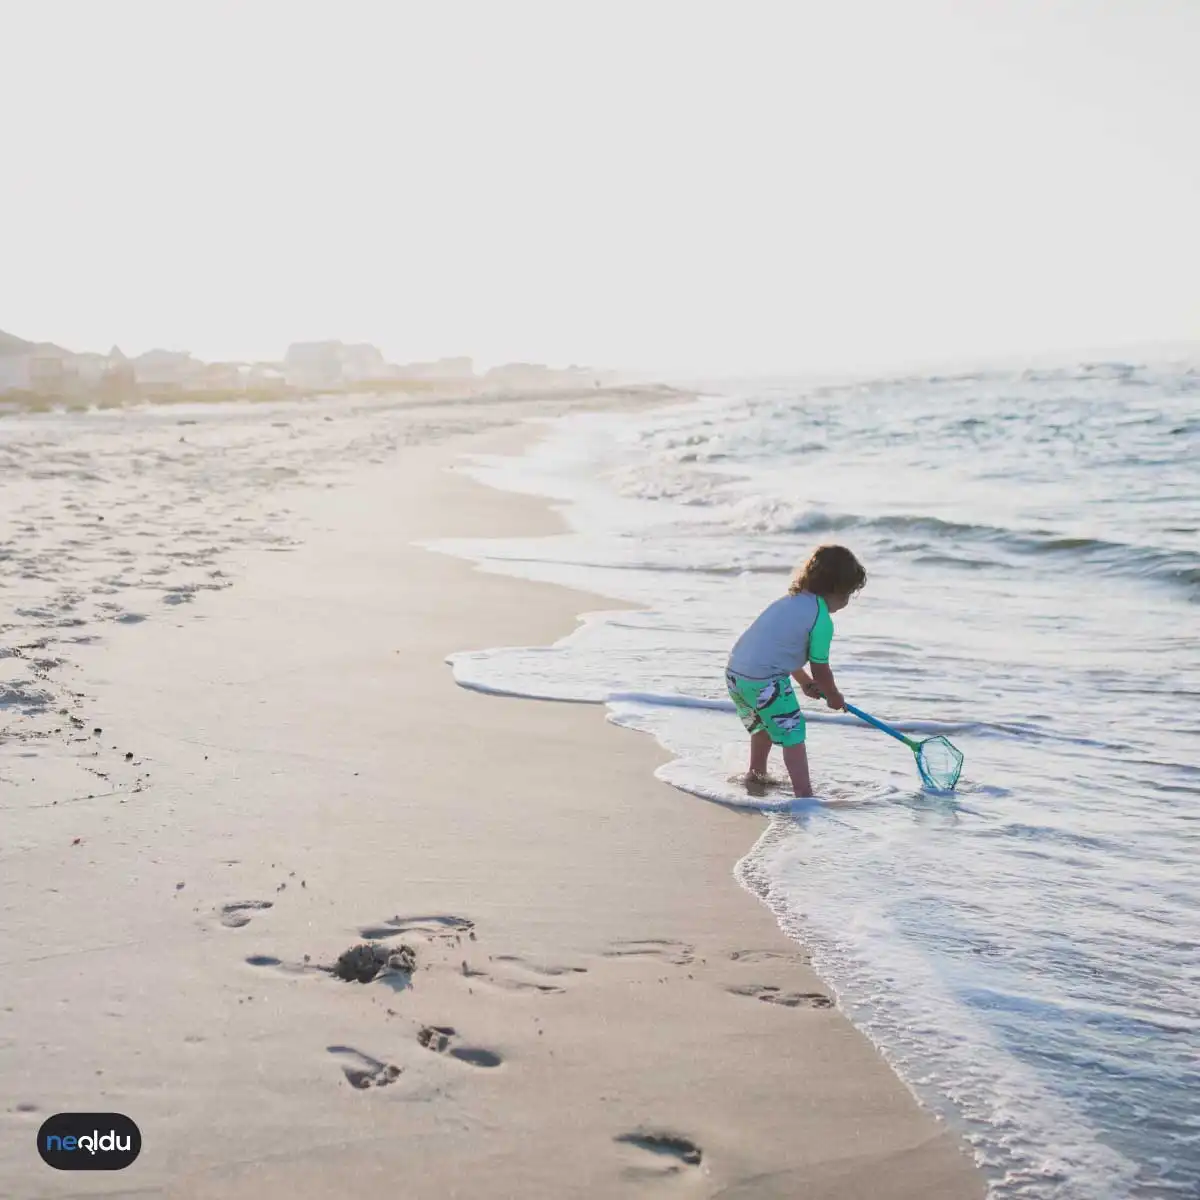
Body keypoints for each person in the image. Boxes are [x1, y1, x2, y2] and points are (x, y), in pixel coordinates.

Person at [725, 544, 866, 797]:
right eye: (848, 594)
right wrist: (833, 696)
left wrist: (802, 681)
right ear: (835, 589)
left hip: (736, 675)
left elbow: (778, 650)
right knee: (793, 733)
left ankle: (756, 773)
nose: (846, 602)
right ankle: (804, 794)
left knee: (763, 726)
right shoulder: (821, 619)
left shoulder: (790, 601)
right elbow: (821, 667)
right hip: (764, 680)